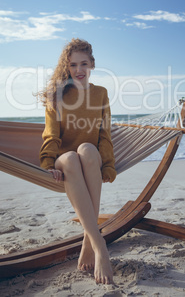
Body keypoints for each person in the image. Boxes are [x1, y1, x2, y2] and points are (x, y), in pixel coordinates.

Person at [38, 38, 116, 285]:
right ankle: (99, 245)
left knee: (87, 149)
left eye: (84, 63)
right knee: (72, 155)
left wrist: (109, 164)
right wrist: (48, 163)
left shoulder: (100, 93)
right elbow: (51, 135)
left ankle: (87, 239)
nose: (79, 70)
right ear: (67, 66)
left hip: (89, 157)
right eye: (74, 65)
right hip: (64, 161)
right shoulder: (58, 95)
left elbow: (104, 133)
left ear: (92, 64)